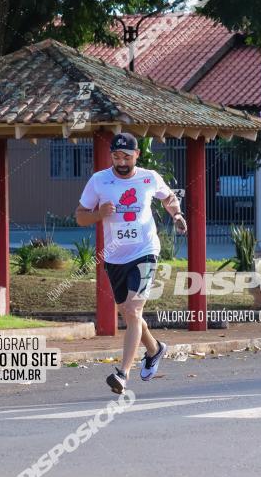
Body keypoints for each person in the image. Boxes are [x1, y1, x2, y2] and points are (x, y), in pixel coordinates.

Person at [76, 132, 187, 394]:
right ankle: (155, 349)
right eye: (116, 156)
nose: (121, 161)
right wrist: (98, 214)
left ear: (137, 155)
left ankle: (122, 374)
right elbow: (80, 216)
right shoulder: (99, 180)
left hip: (145, 251)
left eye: (127, 156)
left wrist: (177, 215)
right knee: (128, 312)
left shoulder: (149, 177)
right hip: (114, 256)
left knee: (134, 310)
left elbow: (168, 197)